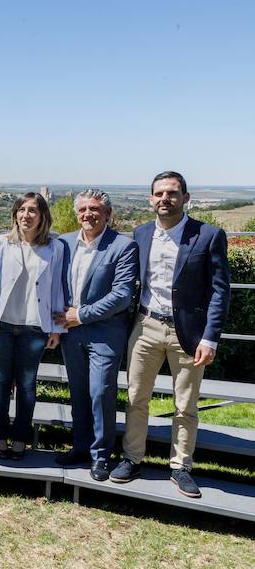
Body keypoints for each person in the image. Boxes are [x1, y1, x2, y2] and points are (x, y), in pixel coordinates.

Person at [110, 172, 231, 498]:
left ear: (185, 198)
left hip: (188, 335)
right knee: (136, 398)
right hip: (146, 326)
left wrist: (210, 337)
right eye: (159, 193)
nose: (165, 198)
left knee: (186, 405)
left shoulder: (208, 235)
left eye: (172, 193)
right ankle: (132, 458)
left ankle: (180, 467)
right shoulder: (141, 233)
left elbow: (220, 292)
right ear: (151, 199)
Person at [55, 189, 139, 481]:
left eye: (94, 209)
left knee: (100, 392)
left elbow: (121, 296)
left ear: (107, 214)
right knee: (78, 392)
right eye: (83, 209)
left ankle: (101, 455)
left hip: (104, 333)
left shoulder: (123, 246)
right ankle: (80, 447)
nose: (87, 214)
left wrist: (80, 315)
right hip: (69, 333)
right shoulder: (63, 242)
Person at [0, 193, 67, 460]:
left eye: (33, 210)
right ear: (15, 214)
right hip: (3, 325)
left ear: (43, 216)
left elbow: (57, 288)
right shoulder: (1, 244)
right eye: (21, 210)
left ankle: (20, 438)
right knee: (0, 382)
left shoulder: (55, 247)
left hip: (35, 326)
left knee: (27, 384)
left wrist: (56, 329)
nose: (26, 215)